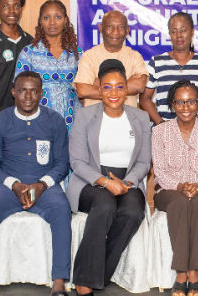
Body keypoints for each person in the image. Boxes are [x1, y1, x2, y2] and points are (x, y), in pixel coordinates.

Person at [0, 71, 70, 296]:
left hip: (44, 186)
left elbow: (62, 163)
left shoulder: (54, 120)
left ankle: (59, 282)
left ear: (41, 93)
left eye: (34, 91)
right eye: (22, 90)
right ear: (13, 93)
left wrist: (42, 184)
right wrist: (14, 185)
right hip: (9, 186)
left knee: (61, 209)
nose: (28, 96)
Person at [67, 59, 152, 296]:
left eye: (119, 87)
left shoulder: (140, 118)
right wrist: (105, 182)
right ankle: (85, 282)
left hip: (129, 179)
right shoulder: (85, 116)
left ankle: (99, 272)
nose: (113, 92)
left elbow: (144, 161)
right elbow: (77, 162)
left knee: (133, 211)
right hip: (90, 180)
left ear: (126, 88)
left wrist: (127, 182)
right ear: (99, 88)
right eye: (107, 87)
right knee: (104, 204)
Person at [152, 79, 198, 296]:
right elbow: (160, 171)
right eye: (180, 102)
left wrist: (196, 186)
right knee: (180, 203)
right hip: (169, 191)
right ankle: (182, 272)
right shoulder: (160, 132)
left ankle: (195, 271)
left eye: (191, 101)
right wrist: (179, 185)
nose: (185, 107)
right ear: (172, 105)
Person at [140, 12, 198, 124]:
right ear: (169, 34)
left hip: (194, 130)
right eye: (174, 31)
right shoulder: (156, 62)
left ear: (192, 32)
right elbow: (144, 98)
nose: (178, 35)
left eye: (183, 30)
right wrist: (160, 122)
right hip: (165, 130)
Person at [15, 0, 81, 131]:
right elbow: (19, 91)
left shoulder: (77, 53)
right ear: (40, 21)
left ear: (66, 20)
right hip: (39, 121)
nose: (52, 22)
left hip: (74, 120)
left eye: (58, 17)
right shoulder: (29, 53)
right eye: (46, 17)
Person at [74, 10, 148, 108]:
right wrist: (125, 84)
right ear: (101, 28)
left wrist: (98, 83)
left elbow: (139, 86)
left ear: (127, 30)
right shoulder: (89, 56)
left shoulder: (135, 56)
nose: (115, 32)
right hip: (95, 119)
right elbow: (83, 91)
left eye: (121, 27)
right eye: (110, 26)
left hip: (127, 119)